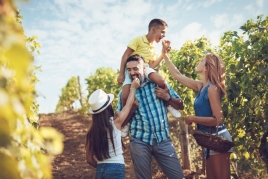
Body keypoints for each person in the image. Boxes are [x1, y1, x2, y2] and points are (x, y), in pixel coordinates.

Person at [162, 40, 233, 179]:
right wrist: (164, 55)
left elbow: (218, 120)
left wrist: (193, 118)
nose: (198, 62)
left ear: (207, 68)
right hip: (208, 139)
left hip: (218, 139)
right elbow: (177, 75)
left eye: (202, 60)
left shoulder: (212, 88)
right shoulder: (201, 86)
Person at [116, 54, 185, 179]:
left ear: (144, 68)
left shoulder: (157, 85)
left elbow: (181, 105)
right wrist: (131, 110)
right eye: (129, 70)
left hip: (163, 140)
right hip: (139, 142)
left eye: (135, 68)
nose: (132, 72)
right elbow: (119, 123)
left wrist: (168, 97)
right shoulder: (125, 93)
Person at [117, 18, 181, 136]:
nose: (163, 35)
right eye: (162, 32)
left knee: (161, 81)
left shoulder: (153, 48)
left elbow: (152, 65)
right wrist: (121, 73)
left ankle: (169, 104)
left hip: (145, 68)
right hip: (131, 69)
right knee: (125, 95)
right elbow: (125, 55)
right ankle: (126, 123)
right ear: (153, 29)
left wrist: (163, 54)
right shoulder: (138, 40)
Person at [85, 77, 140, 179]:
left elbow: (89, 159)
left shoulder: (91, 132)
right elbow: (128, 105)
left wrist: (102, 167)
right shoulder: (116, 121)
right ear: (108, 106)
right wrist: (133, 88)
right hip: (116, 166)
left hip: (100, 170)